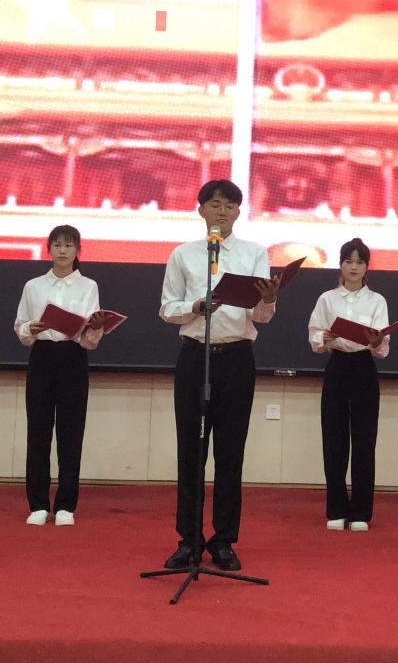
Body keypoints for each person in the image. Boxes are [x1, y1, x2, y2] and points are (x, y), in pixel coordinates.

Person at [158, 179, 280, 572]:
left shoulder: (254, 253)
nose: (221, 211)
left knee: (230, 453)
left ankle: (224, 540)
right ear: (200, 210)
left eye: (229, 205)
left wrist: (268, 300)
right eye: (214, 204)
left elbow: (261, 316)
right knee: (190, 452)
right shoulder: (184, 254)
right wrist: (195, 306)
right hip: (195, 357)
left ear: (239, 212)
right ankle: (188, 541)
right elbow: (167, 309)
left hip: (237, 360)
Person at [14, 225, 109, 527]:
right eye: (57, 245)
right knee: (38, 432)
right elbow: (20, 326)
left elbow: (89, 340)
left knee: (71, 433)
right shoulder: (33, 286)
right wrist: (30, 328)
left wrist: (95, 328)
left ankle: (66, 505)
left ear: (78, 250)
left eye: (69, 245)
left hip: (73, 358)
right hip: (42, 357)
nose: (63, 250)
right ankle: (38, 504)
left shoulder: (89, 286)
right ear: (49, 249)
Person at [307, 237, 389, 532]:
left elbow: (382, 347)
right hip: (338, 366)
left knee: (365, 440)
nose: (354, 267)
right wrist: (324, 337)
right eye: (348, 261)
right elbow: (314, 336)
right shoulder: (327, 299)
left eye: (359, 262)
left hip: (364, 367)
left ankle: (361, 512)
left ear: (367, 267)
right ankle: (336, 508)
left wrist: (377, 341)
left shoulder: (376, 300)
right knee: (334, 438)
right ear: (340, 265)